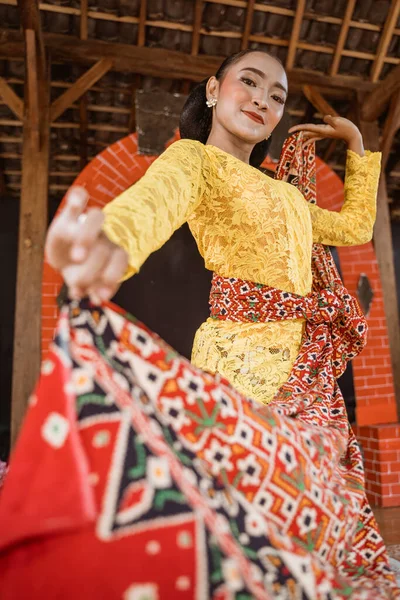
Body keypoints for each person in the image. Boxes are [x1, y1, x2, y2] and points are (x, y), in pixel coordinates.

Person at [0, 49, 398, 599]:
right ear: (213, 90)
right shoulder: (194, 161)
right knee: (245, 516)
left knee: (316, 517)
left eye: (276, 95)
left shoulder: (286, 194)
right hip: (243, 366)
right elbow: (151, 202)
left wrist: (357, 145)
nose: (262, 99)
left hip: (311, 373)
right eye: (250, 83)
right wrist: (111, 242)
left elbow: (355, 226)